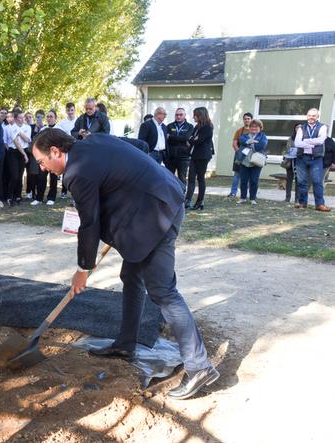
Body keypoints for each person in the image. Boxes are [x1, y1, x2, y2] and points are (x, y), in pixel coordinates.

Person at [31, 127, 218, 400]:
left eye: (42, 161)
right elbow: (140, 147)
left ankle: (199, 366)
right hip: (155, 203)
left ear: (56, 152)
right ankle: (126, 344)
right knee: (131, 276)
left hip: (157, 215)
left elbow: (90, 224)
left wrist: (83, 269)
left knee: (163, 291)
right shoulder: (95, 139)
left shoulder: (77, 173)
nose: (43, 168)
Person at [294, 108, 330, 212]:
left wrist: (305, 141)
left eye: (314, 115)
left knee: (317, 181)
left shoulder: (322, 127)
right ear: (307, 116)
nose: (311, 117)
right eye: (309, 115)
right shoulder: (301, 128)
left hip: (316, 158)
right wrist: (313, 142)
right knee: (301, 181)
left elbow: (321, 140)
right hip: (302, 158)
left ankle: (320, 204)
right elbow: (297, 143)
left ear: (317, 117)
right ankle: (302, 203)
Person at [185, 107, 214, 211]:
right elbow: (190, 137)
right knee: (191, 178)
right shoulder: (197, 126)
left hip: (202, 157)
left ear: (200, 115)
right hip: (194, 155)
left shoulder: (207, 127)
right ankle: (187, 200)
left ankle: (200, 201)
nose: (193, 117)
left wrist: (192, 139)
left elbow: (198, 140)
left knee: (200, 178)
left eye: (195, 115)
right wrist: (192, 139)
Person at [235, 119, 268, 205]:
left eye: (256, 126)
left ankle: (253, 198)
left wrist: (249, 143)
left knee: (254, 180)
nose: (254, 128)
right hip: (244, 161)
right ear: (249, 127)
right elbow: (241, 140)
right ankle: (243, 198)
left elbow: (261, 145)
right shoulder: (245, 135)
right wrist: (250, 141)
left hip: (256, 162)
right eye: (252, 126)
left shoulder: (262, 136)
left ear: (260, 128)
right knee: (243, 180)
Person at [4, 110, 31, 205]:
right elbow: (16, 143)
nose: (22, 119)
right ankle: (9, 196)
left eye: (23, 117)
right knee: (14, 176)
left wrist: (19, 132)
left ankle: (18, 196)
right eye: (19, 118)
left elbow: (27, 140)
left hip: (23, 151)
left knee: (20, 176)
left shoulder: (27, 127)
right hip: (14, 152)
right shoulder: (11, 128)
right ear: (15, 119)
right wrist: (24, 154)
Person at [165, 108, 194, 187]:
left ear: (185, 116)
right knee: (169, 177)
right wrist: (181, 139)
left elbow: (186, 138)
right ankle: (169, 194)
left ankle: (182, 195)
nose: (178, 116)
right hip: (170, 157)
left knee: (182, 178)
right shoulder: (169, 126)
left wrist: (170, 136)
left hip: (184, 157)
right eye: (177, 115)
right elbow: (166, 139)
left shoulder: (190, 127)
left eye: (181, 115)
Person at [228, 113, 252, 198]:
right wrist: (239, 153)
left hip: (250, 156)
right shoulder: (239, 131)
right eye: (245, 119)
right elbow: (234, 144)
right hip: (239, 155)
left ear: (251, 120)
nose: (247, 120)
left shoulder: (254, 131)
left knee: (249, 175)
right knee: (237, 175)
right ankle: (233, 193)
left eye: (248, 119)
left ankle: (249, 194)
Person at [28, 109, 46, 204]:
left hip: (43, 155)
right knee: (33, 175)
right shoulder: (31, 127)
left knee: (42, 176)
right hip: (34, 155)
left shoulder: (46, 128)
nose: (39, 119)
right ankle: (33, 194)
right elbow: (30, 140)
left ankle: (40, 196)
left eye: (41, 117)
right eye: (37, 117)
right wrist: (34, 131)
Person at [42, 110, 60, 205]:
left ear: (55, 118)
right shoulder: (43, 129)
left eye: (51, 116)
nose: (49, 118)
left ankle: (51, 198)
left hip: (55, 158)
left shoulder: (59, 129)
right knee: (41, 178)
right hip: (44, 158)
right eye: (48, 116)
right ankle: (39, 198)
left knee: (53, 178)